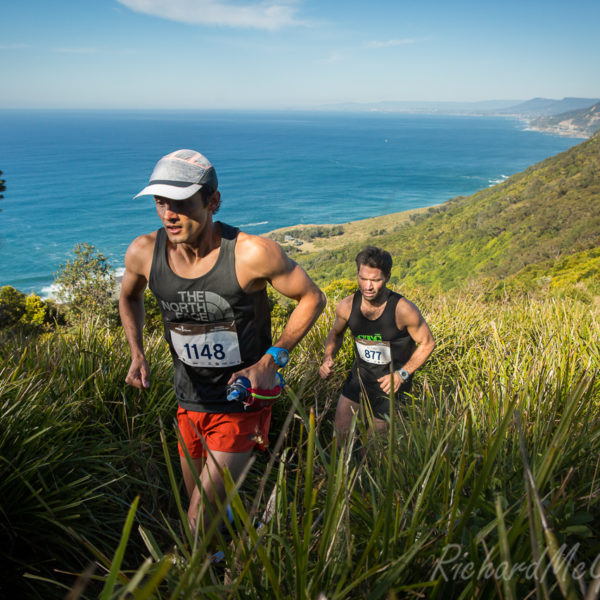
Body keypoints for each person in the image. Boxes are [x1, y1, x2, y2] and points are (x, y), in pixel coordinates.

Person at [119, 149, 326, 537]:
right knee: (202, 502)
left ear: (213, 201)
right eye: (161, 202)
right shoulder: (143, 252)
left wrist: (271, 359)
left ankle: (198, 578)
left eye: (181, 203)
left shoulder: (251, 253)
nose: (168, 214)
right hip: (189, 400)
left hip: (240, 403)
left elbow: (312, 297)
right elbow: (129, 296)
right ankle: (233, 548)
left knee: (197, 519)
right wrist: (137, 351)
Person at [319, 246, 435, 440]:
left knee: (373, 445)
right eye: (363, 279)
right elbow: (336, 334)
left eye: (375, 280)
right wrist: (327, 357)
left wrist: (402, 374)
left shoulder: (403, 310)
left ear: (387, 277)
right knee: (340, 432)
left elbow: (427, 343)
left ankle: (366, 469)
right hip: (359, 377)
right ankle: (342, 470)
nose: (368, 286)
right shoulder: (347, 306)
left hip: (391, 385)